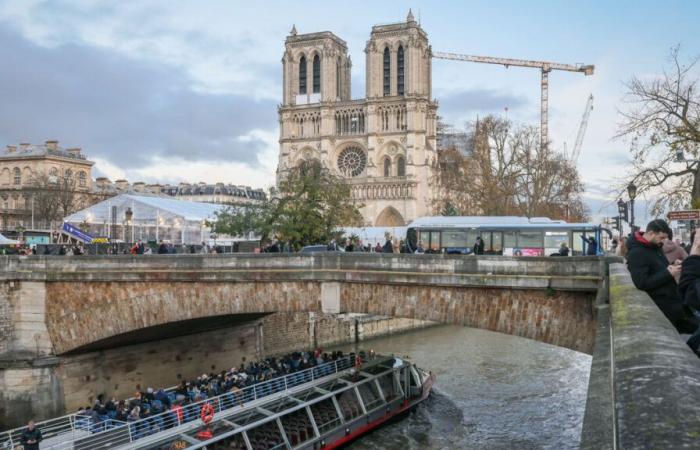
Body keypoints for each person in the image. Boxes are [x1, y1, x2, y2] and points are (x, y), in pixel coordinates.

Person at [627, 219, 700, 339]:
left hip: (675, 302)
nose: (663, 241)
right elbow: (641, 283)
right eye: (661, 237)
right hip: (666, 307)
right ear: (651, 233)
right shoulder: (636, 253)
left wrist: (672, 264)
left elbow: (656, 268)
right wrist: (668, 273)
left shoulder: (655, 246)